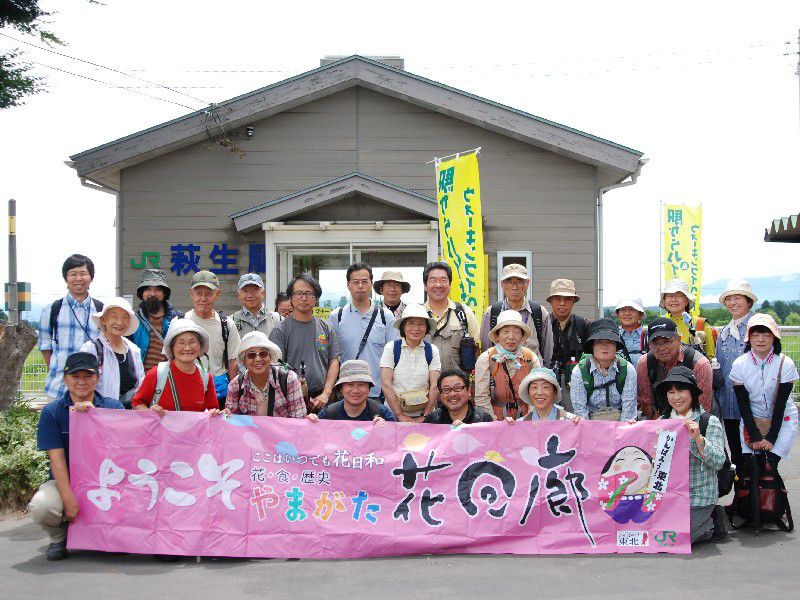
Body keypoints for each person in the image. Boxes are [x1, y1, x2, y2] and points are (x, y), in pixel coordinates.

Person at [28, 352, 125, 561]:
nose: (81, 382)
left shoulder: (114, 408)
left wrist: (95, 418)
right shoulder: (52, 412)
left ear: (97, 379)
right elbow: (57, 460)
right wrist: (68, 497)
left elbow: (122, 452)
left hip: (105, 482)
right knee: (42, 506)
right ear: (65, 379)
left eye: (88, 376)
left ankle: (112, 534)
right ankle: (59, 537)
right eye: (75, 376)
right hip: (67, 480)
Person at [654, 366, 727, 544]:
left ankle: (711, 524)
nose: (676, 397)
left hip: (698, 496)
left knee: (674, 539)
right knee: (655, 534)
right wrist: (633, 429)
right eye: (671, 392)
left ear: (693, 392)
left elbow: (719, 461)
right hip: (669, 495)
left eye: (681, 391)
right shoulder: (662, 422)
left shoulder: (709, 421)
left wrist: (698, 439)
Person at [730, 313, 798, 474]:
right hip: (751, 418)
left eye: (766, 334)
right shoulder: (739, 364)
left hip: (783, 419)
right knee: (752, 468)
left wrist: (771, 437)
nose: (761, 339)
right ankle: (749, 500)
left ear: (774, 337)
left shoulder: (785, 363)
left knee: (770, 466)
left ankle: (776, 499)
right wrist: (754, 435)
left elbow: (781, 404)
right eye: (756, 334)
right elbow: (743, 404)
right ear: (749, 338)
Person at [269, 273, 341, 413]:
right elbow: (275, 366)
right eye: (299, 293)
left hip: (323, 400)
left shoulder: (327, 329)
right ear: (291, 298)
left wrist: (326, 393)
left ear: (316, 298)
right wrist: (298, 394)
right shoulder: (280, 330)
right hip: (290, 398)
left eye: (309, 293)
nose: (304, 298)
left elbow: (334, 361)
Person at [38, 254, 103, 401]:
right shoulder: (51, 310)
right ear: (66, 278)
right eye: (73, 274)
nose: (78, 278)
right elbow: (45, 347)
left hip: (93, 390)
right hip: (58, 388)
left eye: (83, 274)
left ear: (91, 278)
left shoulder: (101, 311)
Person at [329, 263, 397, 401]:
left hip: (378, 392)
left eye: (365, 282)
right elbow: (333, 356)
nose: (360, 286)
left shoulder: (386, 316)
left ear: (371, 284)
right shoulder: (337, 316)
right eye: (355, 282)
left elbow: (393, 356)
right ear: (348, 285)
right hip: (347, 391)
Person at [715, 279, 758, 475]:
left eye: (737, 298)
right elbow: (720, 367)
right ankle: (741, 500)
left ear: (748, 301)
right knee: (736, 455)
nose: (733, 303)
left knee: (756, 454)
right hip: (728, 404)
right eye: (729, 299)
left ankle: (757, 501)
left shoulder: (758, 328)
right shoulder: (723, 332)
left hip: (753, 404)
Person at [131, 318, 220, 413]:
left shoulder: (205, 377)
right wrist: (150, 412)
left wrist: (214, 412)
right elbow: (137, 403)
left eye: (192, 342)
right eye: (181, 343)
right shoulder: (157, 373)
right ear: (172, 347)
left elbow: (213, 409)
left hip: (195, 428)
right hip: (162, 428)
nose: (187, 348)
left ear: (200, 346)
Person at [636, 317, 714, 419]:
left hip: (695, 421)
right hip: (660, 420)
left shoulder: (699, 364)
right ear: (650, 345)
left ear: (679, 340)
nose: (662, 348)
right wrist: (662, 429)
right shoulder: (645, 363)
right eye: (656, 343)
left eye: (667, 342)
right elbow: (647, 403)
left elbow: (702, 408)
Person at [184, 270, 241, 406]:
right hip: (187, 391)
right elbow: (171, 361)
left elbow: (233, 362)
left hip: (219, 393)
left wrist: (233, 398)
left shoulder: (227, 324)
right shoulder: (181, 322)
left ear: (217, 295)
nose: (203, 299)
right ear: (191, 294)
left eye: (209, 294)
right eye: (198, 294)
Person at [475, 310, 540, 420]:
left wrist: (529, 421)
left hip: (526, 419)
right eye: (505, 332)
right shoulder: (486, 359)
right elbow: (481, 398)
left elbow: (537, 394)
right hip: (495, 420)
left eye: (516, 332)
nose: (511, 337)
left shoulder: (530, 358)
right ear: (498, 335)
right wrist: (495, 424)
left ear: (522, 336)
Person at [380, 304, 441, 422]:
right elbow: (386, 384)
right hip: (393, 414)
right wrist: (399, 415)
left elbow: (435, 386)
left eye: (421, 324)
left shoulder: (432, 350)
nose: (416, 328)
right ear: (403, 327)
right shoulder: (391, 348)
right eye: (411, 323)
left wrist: (424, 416)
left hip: (425, 414)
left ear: (427, 327)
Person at [479, 263, 552, 362]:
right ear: (502, 284)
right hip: (501, 374)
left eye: (519, 282)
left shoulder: (539, 312)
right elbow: (486, 351)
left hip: (532, 374)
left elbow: (547, 352)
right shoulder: (492, 313)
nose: (514, 287)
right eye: (509, 282)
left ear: (527, 283)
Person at [80, 297, 144, 407]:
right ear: (103, 320)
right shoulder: (91, 349)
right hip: (100, 413)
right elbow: (82, 383)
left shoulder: (134, 350)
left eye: (125, 318)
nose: (120, 322)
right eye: (114, 317)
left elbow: (141, 385)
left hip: (129, 416)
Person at [225, 331, 306, 418]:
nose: (258, 359)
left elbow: (298, 420)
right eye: (251, 355)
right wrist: (220, 415)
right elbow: (230, 421)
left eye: (263, 353)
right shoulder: (235, 386)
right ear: (244, 361)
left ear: (269, 357)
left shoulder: (289, 379)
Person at [570, 319, 637, 421]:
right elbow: (580, 410)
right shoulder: (579, 371)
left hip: (620, 423)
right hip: (590, 424)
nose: (604, 346)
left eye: (610, 342)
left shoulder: (628, 369)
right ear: (592, 345)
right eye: (599, 342)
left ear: (616, 346)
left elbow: (628, 411)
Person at [421, 261, 480, 372]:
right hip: (424, 386)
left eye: (443, 280)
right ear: (425, 285)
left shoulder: (464, 313)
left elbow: (476, 349)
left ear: (450, 284)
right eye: (433, 280)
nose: (438, 285)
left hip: (457, 386)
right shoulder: (417, 315)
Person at [544, 278, 589, 412]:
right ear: (551, 301)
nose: (562, 303)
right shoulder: (543, 325)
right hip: (548, 382)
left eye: (568, 299)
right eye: (558, 299)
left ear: (573, 301)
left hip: (577, 384)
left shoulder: (583, 325)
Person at [128, 268, 184, 373]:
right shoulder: (133, 319)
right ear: (142, 293)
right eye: (148, 289)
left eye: (157, 289)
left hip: (168, 378)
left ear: (164, 294)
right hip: (140, 380)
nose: (152, 294)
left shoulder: (177, 319)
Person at [306, 360, 397, 423]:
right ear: (341, 389)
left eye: (361, 385)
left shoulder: (383, 413)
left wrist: (386, 428)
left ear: (369, 388)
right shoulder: (328, 414)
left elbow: (395, 442)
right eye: (350, 385)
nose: (355, 390)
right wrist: (310, 424)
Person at [661, 278, 716, 358]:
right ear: (664, 301)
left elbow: (710, 356)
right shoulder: (660, 324)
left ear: (687, 301)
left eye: (678, 295)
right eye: (669, 296)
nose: (673, 299)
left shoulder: (700, 323)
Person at [424, 369, 494, 425]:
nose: (452, 394)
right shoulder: (432, 420)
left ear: (468, 391)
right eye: (446, 389)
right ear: (440, 395)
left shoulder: (483, 420)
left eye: (457, 388)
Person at [615, 298, 649, 365]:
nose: (627, 313)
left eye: (632, 309)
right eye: (623, 309)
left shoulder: (649, 336)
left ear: (640, 314)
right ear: (618, 314)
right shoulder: (613, 337)